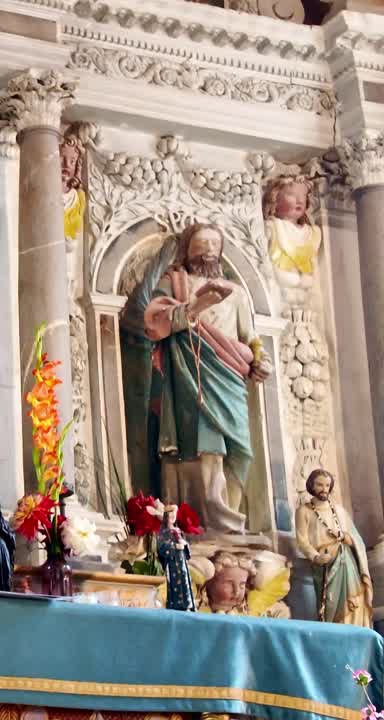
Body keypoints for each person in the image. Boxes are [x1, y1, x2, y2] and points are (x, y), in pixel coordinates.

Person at [144, 224, 270, 535]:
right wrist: (197, 305)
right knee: (204, 444)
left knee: (240, 446)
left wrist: (261, 359)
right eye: (201, 243)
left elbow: (250, 336)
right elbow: (153, 322)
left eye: (215, 243)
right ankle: (205, 517)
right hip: (190, 374)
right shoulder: (173, 284)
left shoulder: (237, 293)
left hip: (230, 375)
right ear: (187, 248)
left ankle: (231, 514)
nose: (209, 249)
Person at [295, 469, 373, 626]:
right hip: (324, 565)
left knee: (353, 600)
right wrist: (316, 556)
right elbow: (302, 541)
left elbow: (354, 540)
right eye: (319, 485)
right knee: (329, 605)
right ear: (311, 485)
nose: (324, 489)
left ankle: (355, 627)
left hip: (346, 560)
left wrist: (345, 537)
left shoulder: (339, 511)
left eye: (327, 485)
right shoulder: (304, 511)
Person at [156, 508, 196, 611]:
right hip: (172, 561)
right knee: (175, 582)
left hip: (181, 560)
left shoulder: (178, 531)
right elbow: (161, 547)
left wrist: (184, 545)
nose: (173, 517)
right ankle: (177, 605)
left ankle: (187, 604)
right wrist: (174, 546)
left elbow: (184, 544)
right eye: (170, 516)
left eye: (174, 515)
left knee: (185, 580)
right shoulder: (163, 532)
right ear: (166, 517)